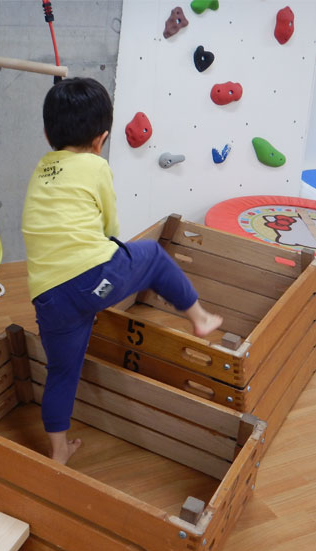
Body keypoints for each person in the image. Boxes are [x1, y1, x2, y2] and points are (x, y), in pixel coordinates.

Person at [21, 77, 222, 465]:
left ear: (47, 135)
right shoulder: (96, 166)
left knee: (61, 371)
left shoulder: (41, 169)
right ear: (102, 139)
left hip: (47, 297)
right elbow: (110, 226)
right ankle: (199, 318)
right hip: (90, 279)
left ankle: (59, 451)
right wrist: (117, 259)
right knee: (152, 255)